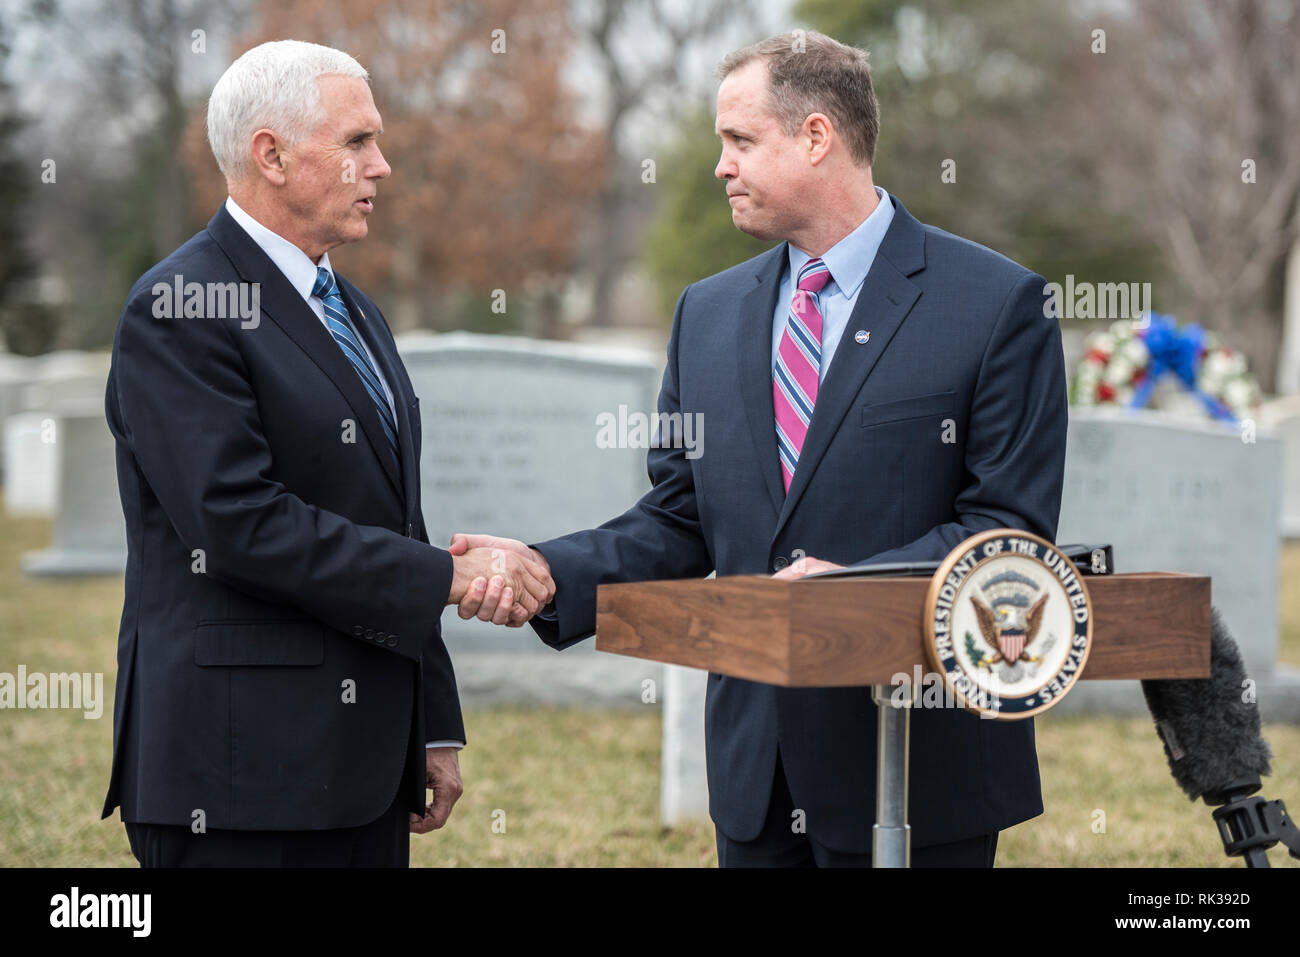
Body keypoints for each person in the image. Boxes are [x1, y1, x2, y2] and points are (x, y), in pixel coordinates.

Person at [450, 31, 1067, 867]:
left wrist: (852, 589)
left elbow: (1009, 534)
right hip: (757, 775)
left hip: (921, 772)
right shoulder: (706, 313)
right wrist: (548, 569)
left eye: (739, 140)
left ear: (816, 137)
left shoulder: (996, 304)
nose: (721, 165)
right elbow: (679, 520)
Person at [101, 39, 552, 867]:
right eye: (357, 143)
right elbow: (239, 525)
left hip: (363, 769)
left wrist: (432, 722)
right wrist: (448, 578)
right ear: (269, 155)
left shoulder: (351, 308)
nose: (381, 167)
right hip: (240, 777)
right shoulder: (179, 305)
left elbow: (394, 518)